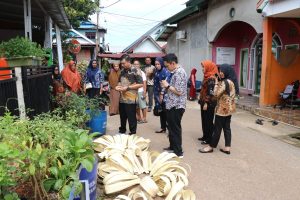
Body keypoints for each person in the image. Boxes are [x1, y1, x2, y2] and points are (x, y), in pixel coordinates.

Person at [199, 65, 236, 154]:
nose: (220, 73)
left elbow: (216, 94)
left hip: (222, 109)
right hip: (229, 109)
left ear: (226, 71)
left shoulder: (224, 82)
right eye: (220, 71)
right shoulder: (231, 82)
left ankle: (211, 147)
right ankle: (227, 147)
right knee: (227, 128)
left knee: (217, 128)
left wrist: (216, 83)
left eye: (222, 71)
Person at [161, 53, 187, 158]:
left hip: (177, 105)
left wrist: (167, 86)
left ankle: (178, 152)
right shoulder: (174, 72)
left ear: (173, 63)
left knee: (175, 128)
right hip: (171, 104)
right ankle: (172, 147)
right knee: (171, 127)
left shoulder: (180, 73)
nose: (166, 69)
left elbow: (179, 91)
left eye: (167, 66)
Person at [116, 54, 143, 135]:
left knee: (131, 117)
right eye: (121, 63)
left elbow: (140, 84)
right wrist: (118, 86)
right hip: (122, 98)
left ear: (128, 62)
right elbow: (119, 82)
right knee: (122, 116)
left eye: (124, 63)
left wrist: (127, 88)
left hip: (131, 99)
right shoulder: (122, 71)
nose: (122, 65)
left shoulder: (136, 70)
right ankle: (122, 130)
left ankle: (133, 132)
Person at [198, 61, 218, 145]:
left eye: (204, 67)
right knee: (204, 119)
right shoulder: (206, 76)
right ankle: (205, 136)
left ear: (208, 67)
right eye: (202, 67)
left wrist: (206, 102)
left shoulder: (211, 78)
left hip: (209, 103)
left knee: (208, 121)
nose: (202, 69)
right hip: (204, 101)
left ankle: (209, 138)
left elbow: (210, 92)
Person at [154, 57, 170, 133]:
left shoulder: (165, 72)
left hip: (165, 95)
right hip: (158, 93)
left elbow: (165, 84)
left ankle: (168, 128)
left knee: (166, 112)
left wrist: (161, 94)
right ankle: (162, 127)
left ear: (162, 63)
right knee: (161, 112)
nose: (157, 65)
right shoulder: (157, 72)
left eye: (158, 64)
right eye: (156, 64)